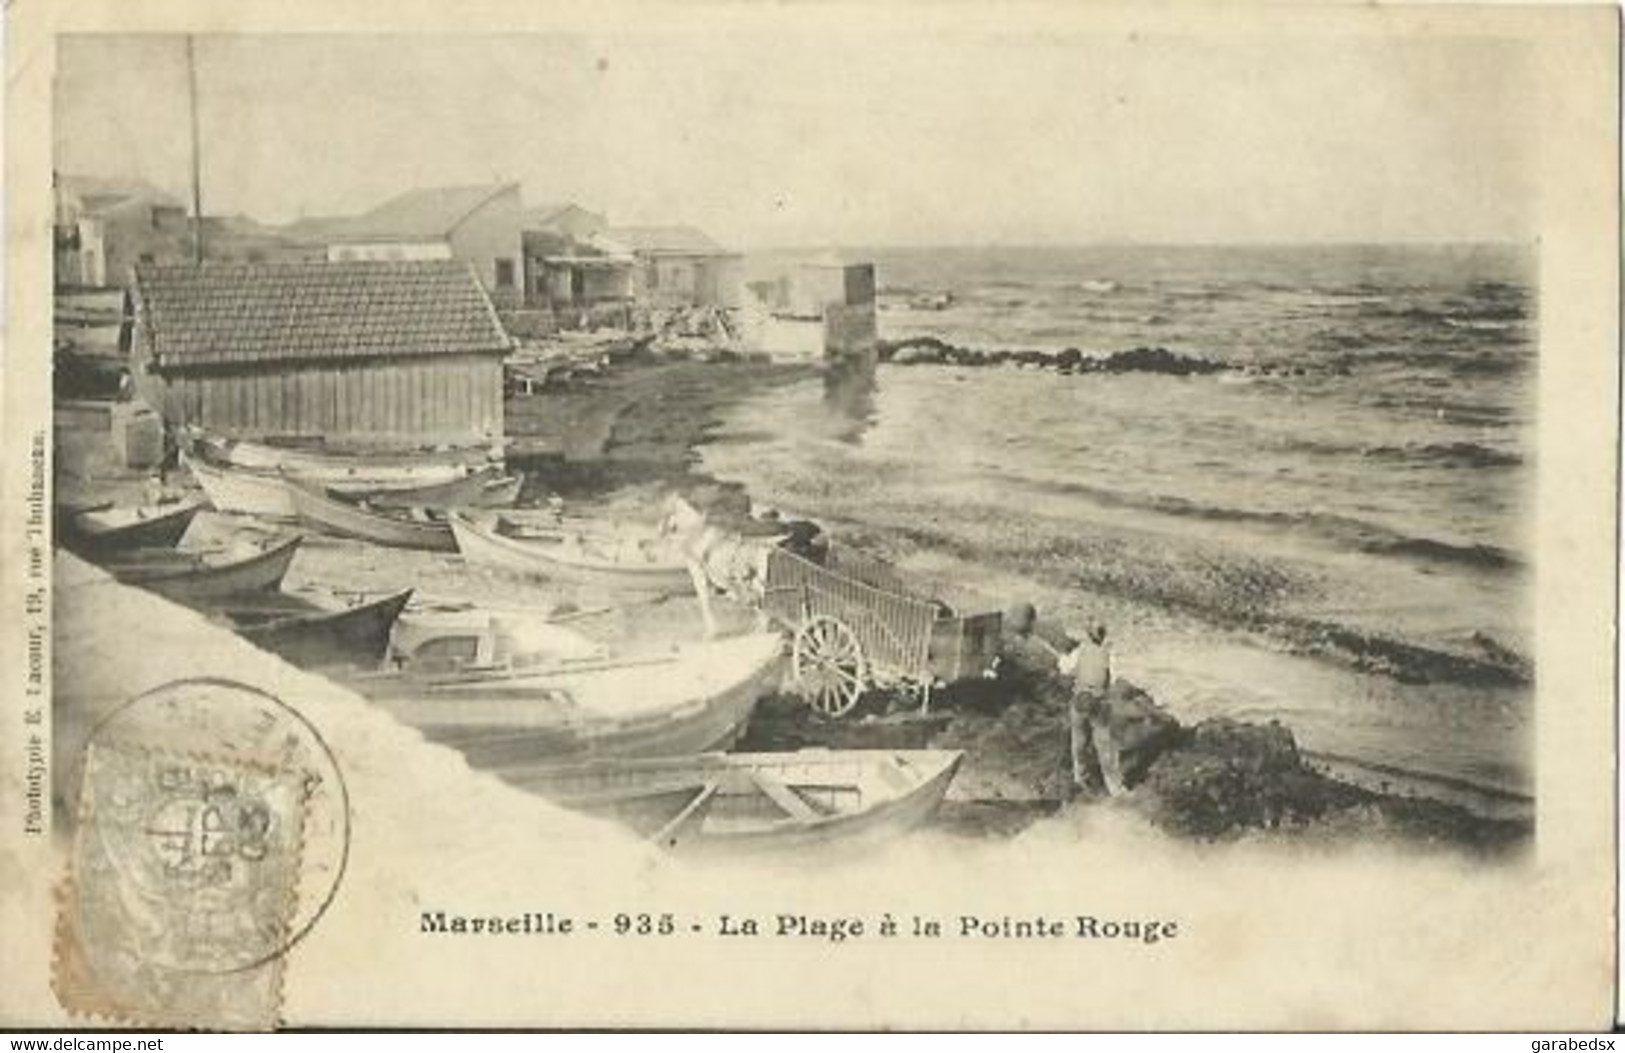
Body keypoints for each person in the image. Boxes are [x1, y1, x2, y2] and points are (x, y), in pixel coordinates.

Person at [1061, 624, 1120, 794]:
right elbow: (1113, 679)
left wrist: (1064, 662)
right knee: (1105, 744)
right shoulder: (1108, 654)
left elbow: (1066, 670)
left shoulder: (1080, 651)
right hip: (1099, 702)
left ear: (1088, 635)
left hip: (1081, 699)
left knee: (1078, 741)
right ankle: (1113, 786)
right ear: (1103, 636)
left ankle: (1080, 777)